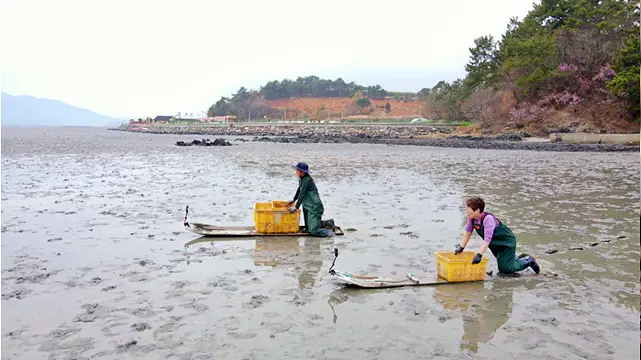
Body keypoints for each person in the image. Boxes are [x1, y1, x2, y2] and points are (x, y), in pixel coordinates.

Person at [455, 196, 540, 275]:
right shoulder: (472, 218)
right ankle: (515, 259)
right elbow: (468, 232)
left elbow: (487, 239)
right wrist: (462, 247)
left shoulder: (488, 219)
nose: (467, 211)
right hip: (495, 244)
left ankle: (529, 260)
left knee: (505, 269)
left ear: (477, 210)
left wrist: (479, 255)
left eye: (468, 209)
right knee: (504, 263)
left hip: (507, 243)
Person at [288, 162, 334, 237]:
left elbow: (302, 194)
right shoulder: (302, 179)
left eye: (297, 170)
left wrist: (296, 207)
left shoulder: (307, 180)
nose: (296, 172)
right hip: (307, 205)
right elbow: (299, 189)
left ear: (302, 172)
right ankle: (328, 223)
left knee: (313, 231)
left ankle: (329, 233)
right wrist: (294, 199)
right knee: (308, 228)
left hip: (314, 206)